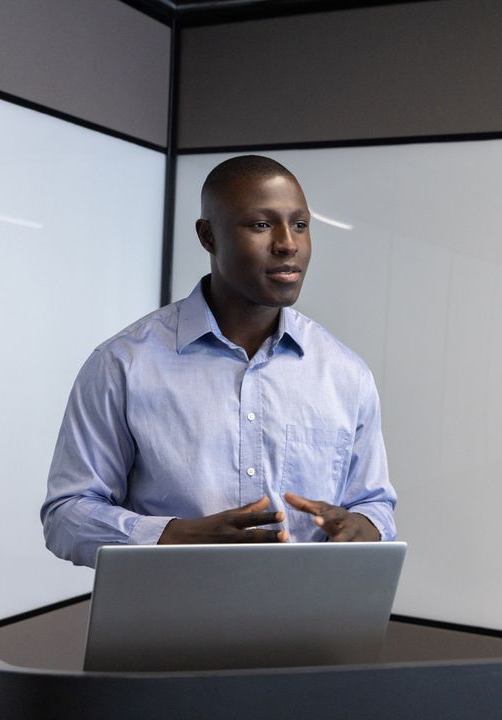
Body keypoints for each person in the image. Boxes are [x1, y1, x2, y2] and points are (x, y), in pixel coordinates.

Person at [41, 155, 396, 568]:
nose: (288, 243)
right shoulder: (122, 365)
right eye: (261, 225)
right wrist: (172, 536)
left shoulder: (345, 374)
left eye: (299, 224)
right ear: (208, 236)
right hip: (169, 627)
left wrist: (364, 527)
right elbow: (65, 515)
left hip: (308, 627)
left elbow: (375, 503)